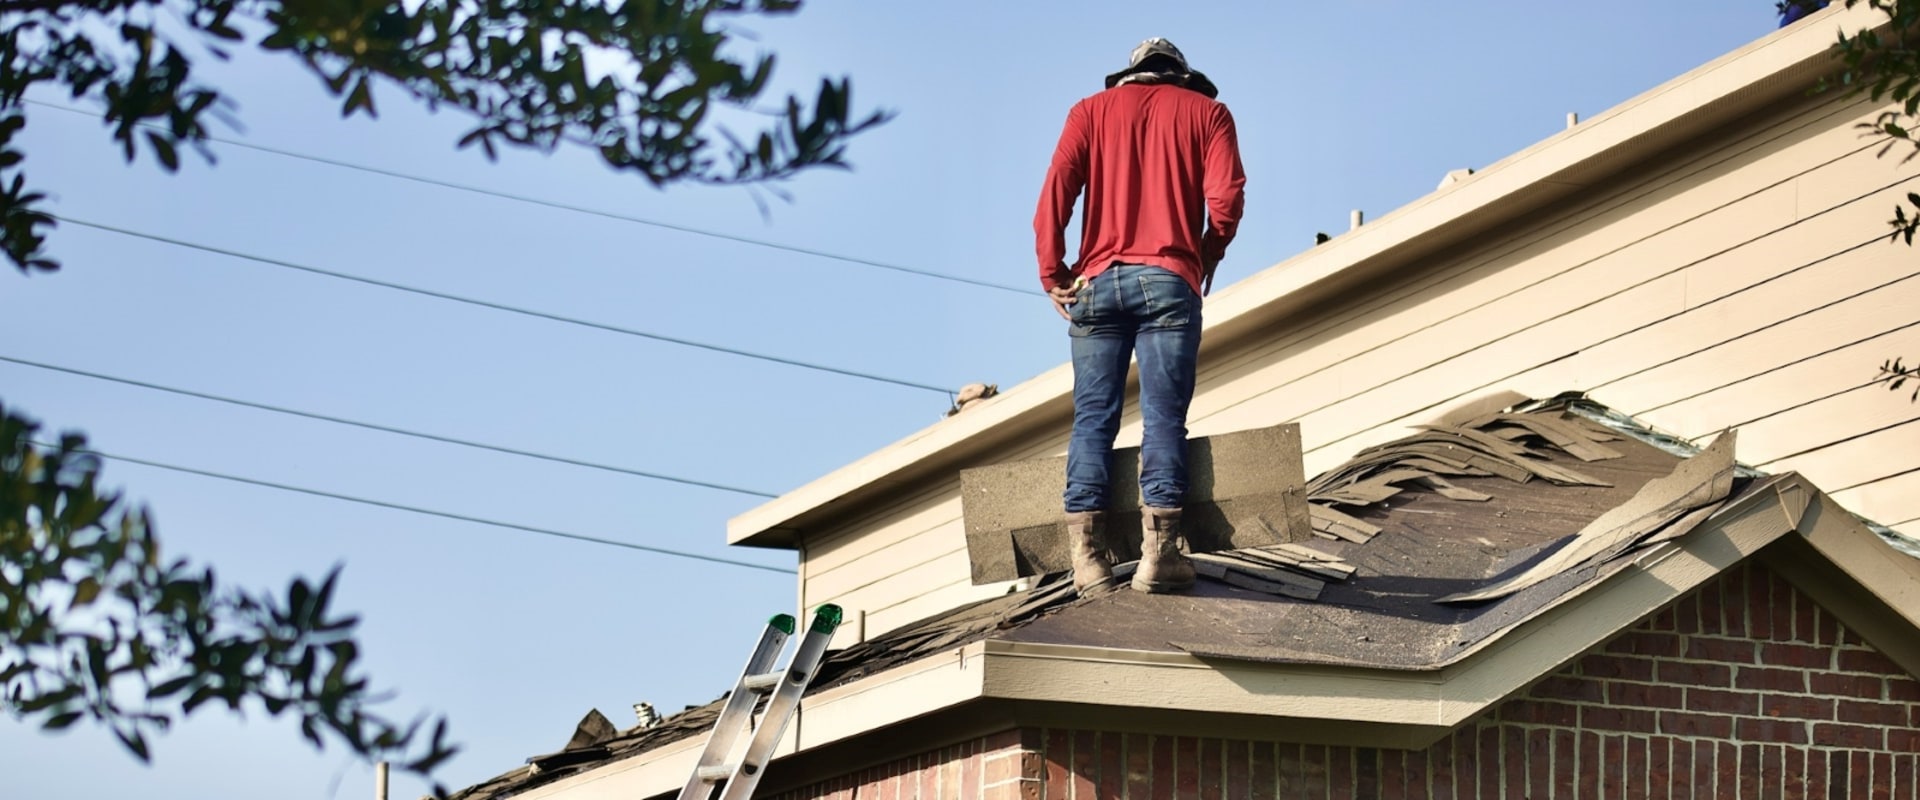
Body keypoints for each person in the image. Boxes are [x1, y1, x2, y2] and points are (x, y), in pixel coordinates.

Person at [1033, 38, 1246, 595]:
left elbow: (1055, 192)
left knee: (1092, 419)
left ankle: (1087, 560)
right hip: (1169, 279)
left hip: (1096, 285)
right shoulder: (1209, 113)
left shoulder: (1088, 111)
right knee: (1164, 417)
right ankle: (1161, 554)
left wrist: (1052, 274)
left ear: (1129, 76)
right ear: (1181, 77)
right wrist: (1203, 256)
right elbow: (1225, 201)